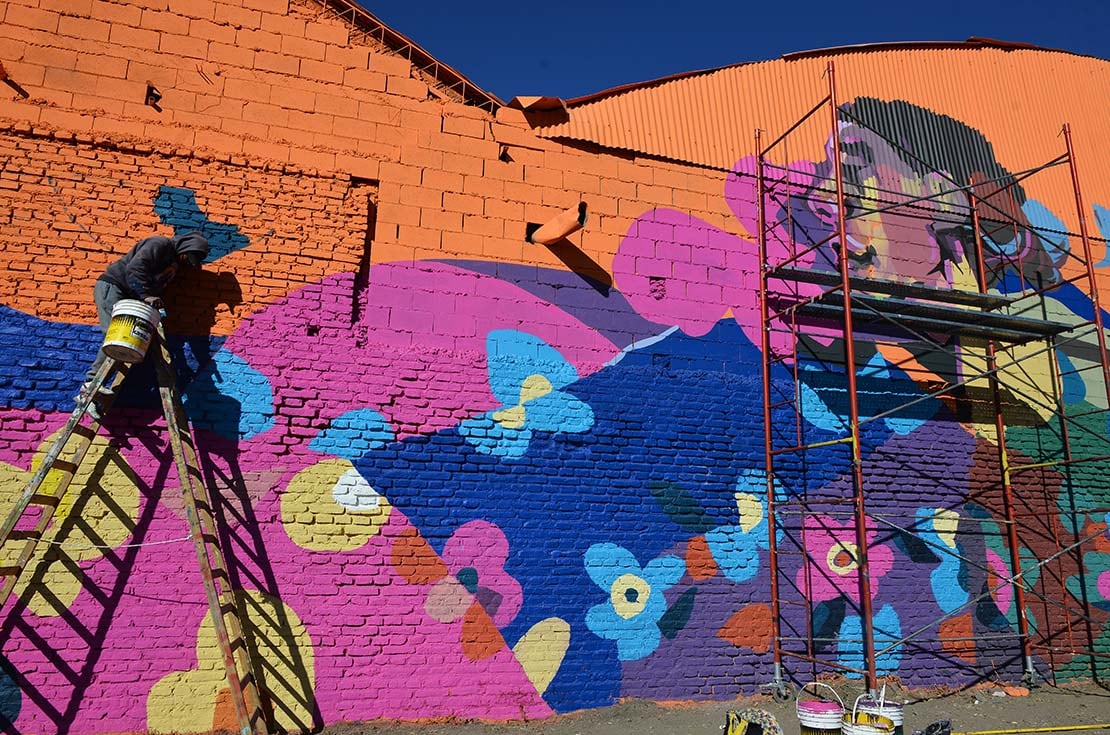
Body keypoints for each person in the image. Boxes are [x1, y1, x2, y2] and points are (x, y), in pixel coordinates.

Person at [79, 231, 210, 417]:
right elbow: (135, 268)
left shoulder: (173, 264)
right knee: (115, 337)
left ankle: (92, 395)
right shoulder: (160, 244)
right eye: (188, 257)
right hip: (115, 288)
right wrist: (147, 297)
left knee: (129, 342)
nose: (187, 262)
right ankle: (90, 385)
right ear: (185, 248)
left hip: (132, 301)